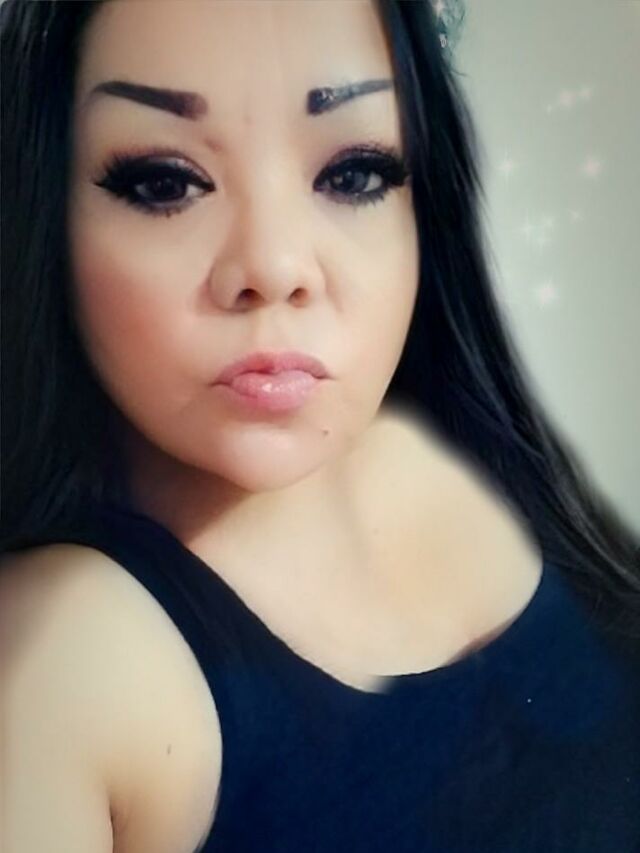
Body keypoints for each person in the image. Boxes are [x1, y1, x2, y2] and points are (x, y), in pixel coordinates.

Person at [1, 1, 638, 851]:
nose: (273, 265)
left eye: (354, 173)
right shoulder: (58, 664)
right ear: (44, 207)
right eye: (164, 182)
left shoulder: (480, 456)